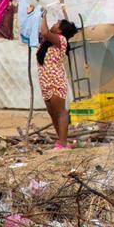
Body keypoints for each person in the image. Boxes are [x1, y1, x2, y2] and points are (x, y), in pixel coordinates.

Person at [37, 15, 78, 150]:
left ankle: (63, 144)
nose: (53, 24)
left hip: (55, 81)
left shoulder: (61, 40)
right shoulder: (47, 42)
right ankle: (61, 141)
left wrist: (44, 15)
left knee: (61, 112)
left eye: (57, 24)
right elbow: (43, 32)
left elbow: (44, 31)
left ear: (60, 31)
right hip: (45, 82)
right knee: (52, 112)